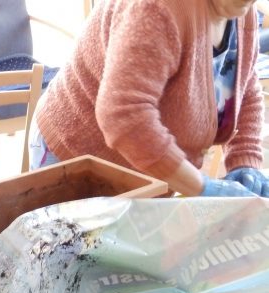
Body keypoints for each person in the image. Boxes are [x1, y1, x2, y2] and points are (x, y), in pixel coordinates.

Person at [30, 0, 269, 197]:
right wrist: (201, 186)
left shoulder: (241, 11)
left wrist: (245, 159)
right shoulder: (156, 7)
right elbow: (124, 115)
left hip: (148, 169)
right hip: (78, 156)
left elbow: (244, 85)